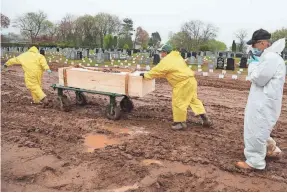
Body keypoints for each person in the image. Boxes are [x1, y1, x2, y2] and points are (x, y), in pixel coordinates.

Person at [236, 29, 286, 170]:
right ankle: (271, 148)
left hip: (263, 101)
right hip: (265, 100)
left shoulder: (271, 58)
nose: (253, 48)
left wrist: (253, 64)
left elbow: (259, 78)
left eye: (255, 44)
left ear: (263, 43)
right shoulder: (271, 57)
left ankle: (254, 161)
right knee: (261, 127)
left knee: (255, 129)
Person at [140, 44, 212, 130]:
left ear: (165, 52)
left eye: (161, 52)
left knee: (179, 102)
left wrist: (145, 75)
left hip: (182, 83)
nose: (160, 54)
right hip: (191, 81)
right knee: (193, 100)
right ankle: (205, 118)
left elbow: (157, 71)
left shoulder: (167, 60)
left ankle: (180, 123)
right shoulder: (177, 57)